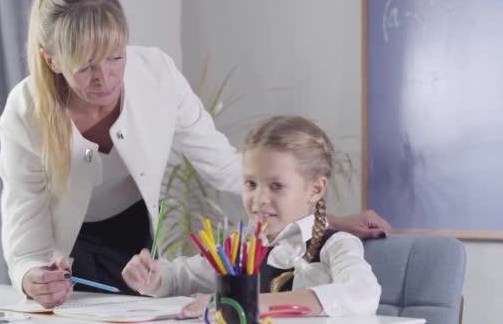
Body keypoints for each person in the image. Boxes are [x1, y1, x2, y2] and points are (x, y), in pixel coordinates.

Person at [0, 0, 390, 309]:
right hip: (64, 249)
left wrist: (318, 218)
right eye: (85, 66)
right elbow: (25, 238)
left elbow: (228, 168)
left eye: (116, 56)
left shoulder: (157, 75)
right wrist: (32, 277)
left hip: (131, 235)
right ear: (51, 60)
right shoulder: (24, 113)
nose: (106, 77)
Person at [122, 116, 382, 317]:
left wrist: (247, 303)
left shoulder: (336, 245)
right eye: (250, 184)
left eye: (276, 186)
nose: (259, 199)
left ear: (315, 189)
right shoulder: (242, 248)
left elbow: (362, 293)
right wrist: (153, 278)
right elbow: (182, 277)